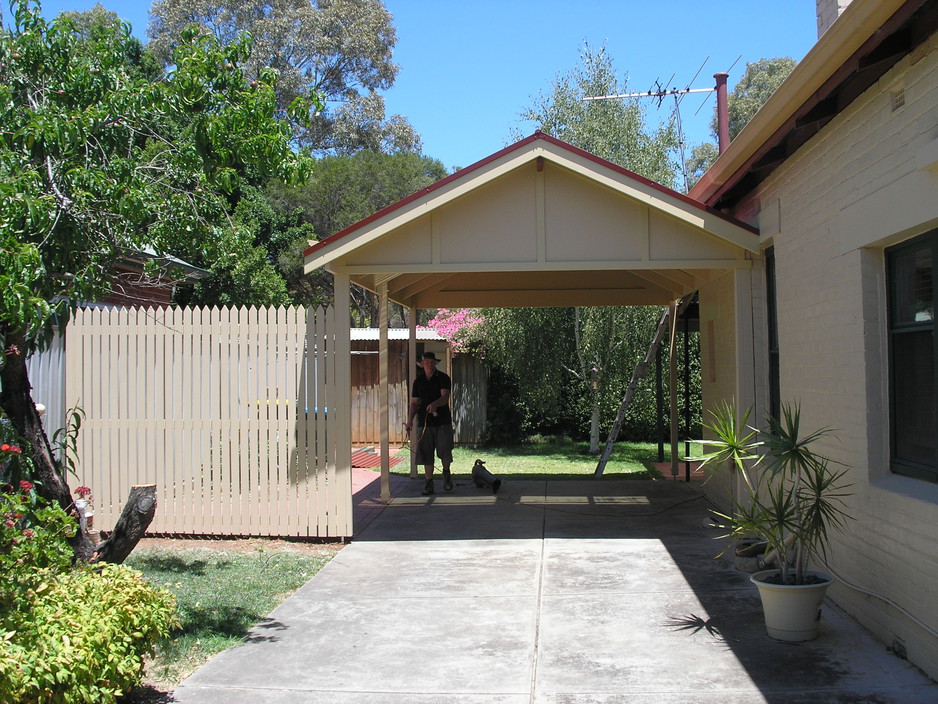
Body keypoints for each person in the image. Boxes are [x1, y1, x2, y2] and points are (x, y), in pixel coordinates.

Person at [405, 351, 454, 495]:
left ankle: (446, 473)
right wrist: (410, 420)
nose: (429, 364)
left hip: (442, 421)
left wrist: (435, 404)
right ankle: (429, 483)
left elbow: (445, 397)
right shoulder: (418, 382)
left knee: (445, 450)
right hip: (425, 422)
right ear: (422, 364)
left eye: (432, 362)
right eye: (426, 362)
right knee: (426, 453)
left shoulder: (443, 378)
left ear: (435, 363)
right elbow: (414, 403)